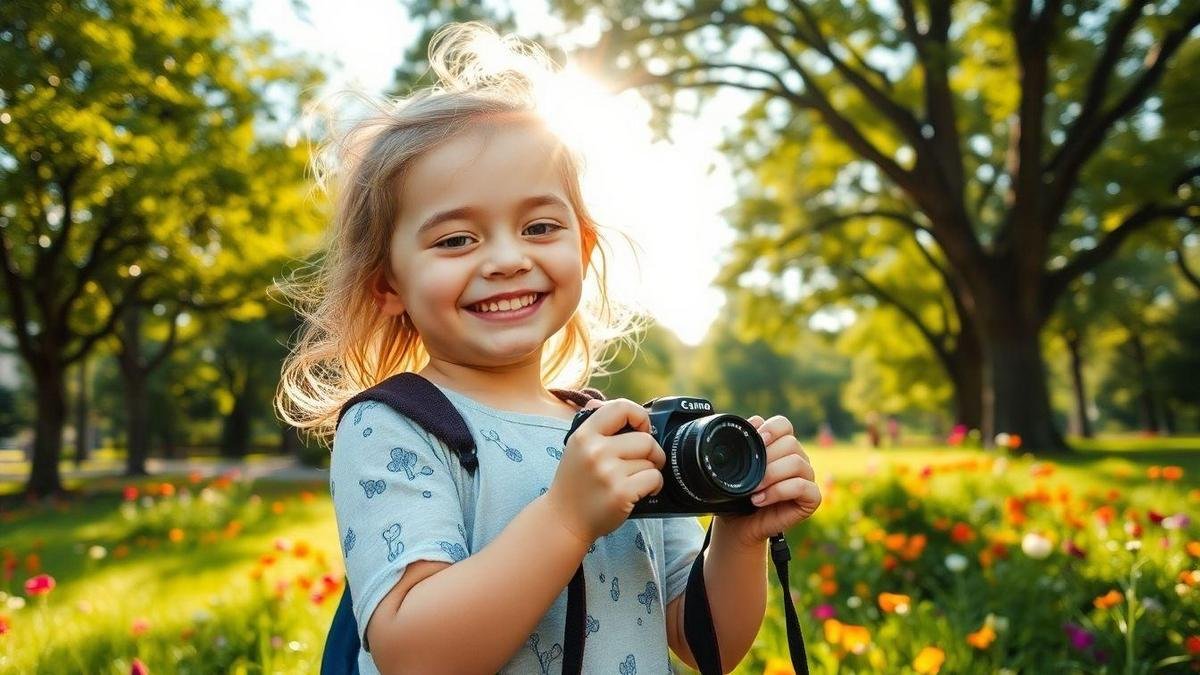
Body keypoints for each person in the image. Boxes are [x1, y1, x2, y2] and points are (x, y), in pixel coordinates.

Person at [275, 22, 821, 674]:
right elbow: (415, 655)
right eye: (456, 239)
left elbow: (706, 642)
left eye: (539, 226)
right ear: (386, 283)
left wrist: (737, 535)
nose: (508, 258)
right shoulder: (397, 424)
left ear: (582, 248)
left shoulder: (624, 434)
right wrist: (565, 519)